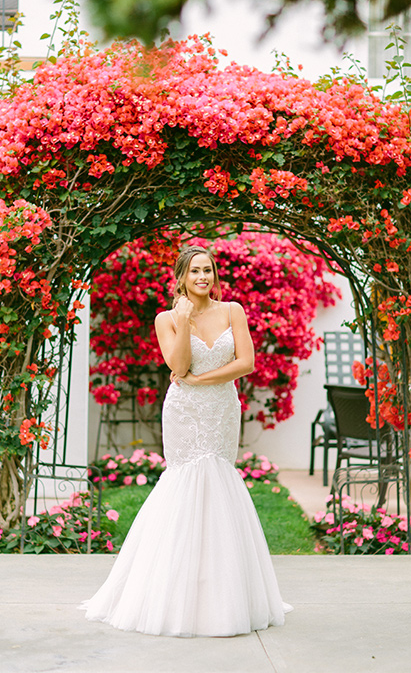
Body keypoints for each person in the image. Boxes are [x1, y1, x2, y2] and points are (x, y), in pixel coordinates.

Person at [80, 245, 292, 636]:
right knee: (186, 483)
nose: (202, 277)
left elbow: (246, 363)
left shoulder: (232, 311)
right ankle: (174, 593)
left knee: (220, 483)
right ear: (181, 276)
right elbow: (177, 366)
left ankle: (225, 593)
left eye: (207, 270)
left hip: (222, 409)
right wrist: (183, 320)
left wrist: (201, 379)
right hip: (184, 413)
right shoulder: (166, 318)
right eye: (194, 271)